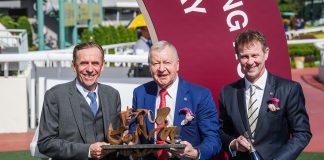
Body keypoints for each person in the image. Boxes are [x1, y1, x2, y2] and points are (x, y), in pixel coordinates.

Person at [218, 30, 312, 160]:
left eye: (255, 55)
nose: (250, 62)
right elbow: (221, 132)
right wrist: (233, 143)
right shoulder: (227, 93)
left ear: (266, 53)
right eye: (244, 56)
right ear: (238, 57)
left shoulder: (289, 89)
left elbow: (302, 133)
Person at [130, 40, 221, 159]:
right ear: (149, 66)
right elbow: (134, 134)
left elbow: (213, 139)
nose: (161, 69)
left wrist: (195, 152)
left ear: (177, 65)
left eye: (167, 62)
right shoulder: (140, 93)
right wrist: (130, 142)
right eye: (156, 63)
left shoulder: (200, 95)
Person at [37, 42, 123, 160]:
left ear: (102, 66)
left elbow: (117, 137)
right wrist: (87, 151)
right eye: (83, 63)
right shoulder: (55, 96)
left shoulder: (112, 95)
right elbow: (45, 143)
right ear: (74, 66)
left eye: (95, 63)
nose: (90, 69)